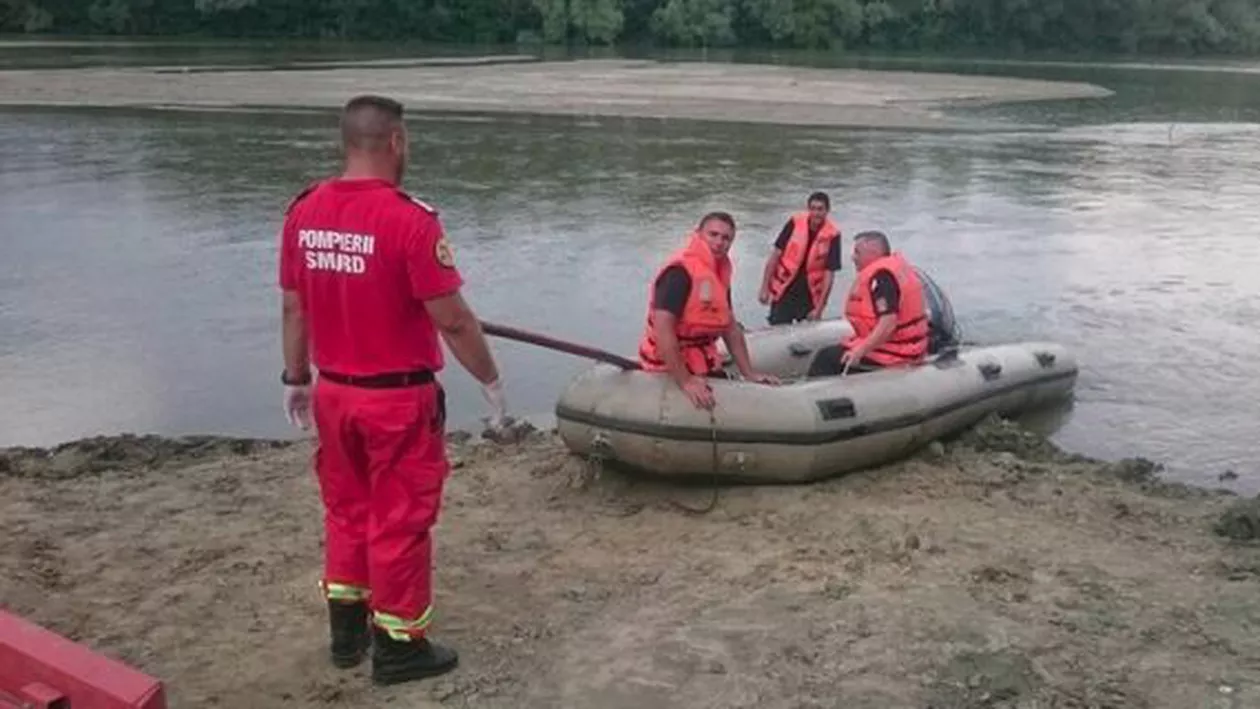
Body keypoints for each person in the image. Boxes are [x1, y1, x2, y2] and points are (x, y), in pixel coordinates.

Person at [278, 94, 506, 686]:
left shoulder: (303, 212)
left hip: (333, 392)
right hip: (397, 400)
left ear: (346, 142)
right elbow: (453, 319)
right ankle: (401, 646)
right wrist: (489, 376)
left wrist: (296, 377)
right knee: (401, 520)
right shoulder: (411, 220)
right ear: (397, 142)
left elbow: (294, 309)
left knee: (346, 511)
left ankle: (346, 636)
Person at [638, 212, 780, 409]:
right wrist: (685, 381)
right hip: (667, 364)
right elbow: (663, 331)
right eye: (713, 235)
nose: (719, 242)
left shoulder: (718, 272)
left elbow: (730, 327)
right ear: (698, 234)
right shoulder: (679, 273)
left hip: (701, 358)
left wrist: (749, 373)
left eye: (726, 238)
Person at [807, 230, 929, 377]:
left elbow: (888, 323)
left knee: (825, 357)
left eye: (857, 253)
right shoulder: (891, 269)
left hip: (896, 353)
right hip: (906, 346)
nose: (853, 257)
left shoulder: (882, 278)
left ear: (873, 253)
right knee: (838, 350)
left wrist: (860, 351)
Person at [758, 191, 843, 325]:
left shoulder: (833, 235)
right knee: (776, 326)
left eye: (820, 209)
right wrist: (764, 287)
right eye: (813, 209)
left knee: (808, 333)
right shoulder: (794, 223)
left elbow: (829, 273)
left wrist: (820, 308)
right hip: (785, 289)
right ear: (808, 209)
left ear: (827, 211)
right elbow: (775, 255)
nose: (816, 213)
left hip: (809, 294)